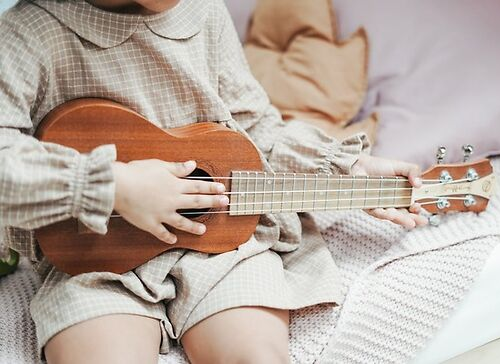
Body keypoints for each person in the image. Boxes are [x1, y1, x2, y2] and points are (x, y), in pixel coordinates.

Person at [0, 0, 428, 363]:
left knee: (254, 355)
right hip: (94, 258)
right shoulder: (28, 34)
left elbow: (256, 129)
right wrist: (117, 186)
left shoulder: (202, 12)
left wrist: (345, 169)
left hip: (221, 247)